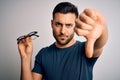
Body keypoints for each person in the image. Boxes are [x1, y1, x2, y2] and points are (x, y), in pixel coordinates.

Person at [17, 2, 108, 80]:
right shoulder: (43, 54)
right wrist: (25, 58)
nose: (63, 31)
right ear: (52, 24)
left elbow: (99, 44)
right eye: (58, 24)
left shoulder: (85, 48)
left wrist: (102, 30)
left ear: (75, 25)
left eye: (68, 25)